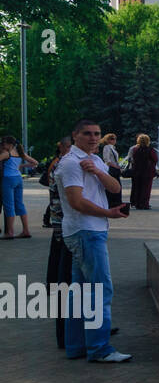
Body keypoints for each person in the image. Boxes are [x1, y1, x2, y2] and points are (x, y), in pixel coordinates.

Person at [55, 119, 131, 363]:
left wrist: (97, 171)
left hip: (91, 231)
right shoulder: (70, 163)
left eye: (96, 134)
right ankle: (100, 349)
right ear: (75, 135)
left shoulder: (94, 160)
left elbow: (114, 186)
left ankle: (76, 346)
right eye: (87, 133)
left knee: (79, 291)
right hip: (85, 231)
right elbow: (77, 202)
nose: (93, 138)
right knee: (100, 290)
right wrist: (109, 213)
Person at [42, 137, 73, 348]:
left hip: (63, 226)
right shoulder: (63, 164)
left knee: (64, 277)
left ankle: (74, 329)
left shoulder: (63, 163)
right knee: (66, 279)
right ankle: (66, 334)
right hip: (66, 228)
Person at [1, 136, 38, 239]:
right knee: (20, 205)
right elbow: (35, 162)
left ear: (10, 144)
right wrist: (21, 166)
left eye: (4, 143)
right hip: (18, 179)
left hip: (8, 179)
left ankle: (10, 232)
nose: (3, 146)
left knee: (9, 206)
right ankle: (26, 231)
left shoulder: (6, 154)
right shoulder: (20, 153)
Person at [127, 134, 157, 209]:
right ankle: (144, 204)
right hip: (147, 172)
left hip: (136, 171)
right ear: (148, 141)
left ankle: (137, 203)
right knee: (146, 188)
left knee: (137, 188)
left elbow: (132, 159)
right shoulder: (150, 149)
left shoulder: (135, 149)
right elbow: (155, 159)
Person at [100, 133, 123, 209]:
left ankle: (116, 202)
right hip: (111, 169)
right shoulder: (107, 147)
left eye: (115, 138)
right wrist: (116, 166)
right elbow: (107, 160)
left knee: (117, 185)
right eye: (112, 139)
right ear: (108, 140)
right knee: (113, 185)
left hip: (114, 168)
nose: (114, 140)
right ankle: (112, 202)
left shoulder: (113, 147)